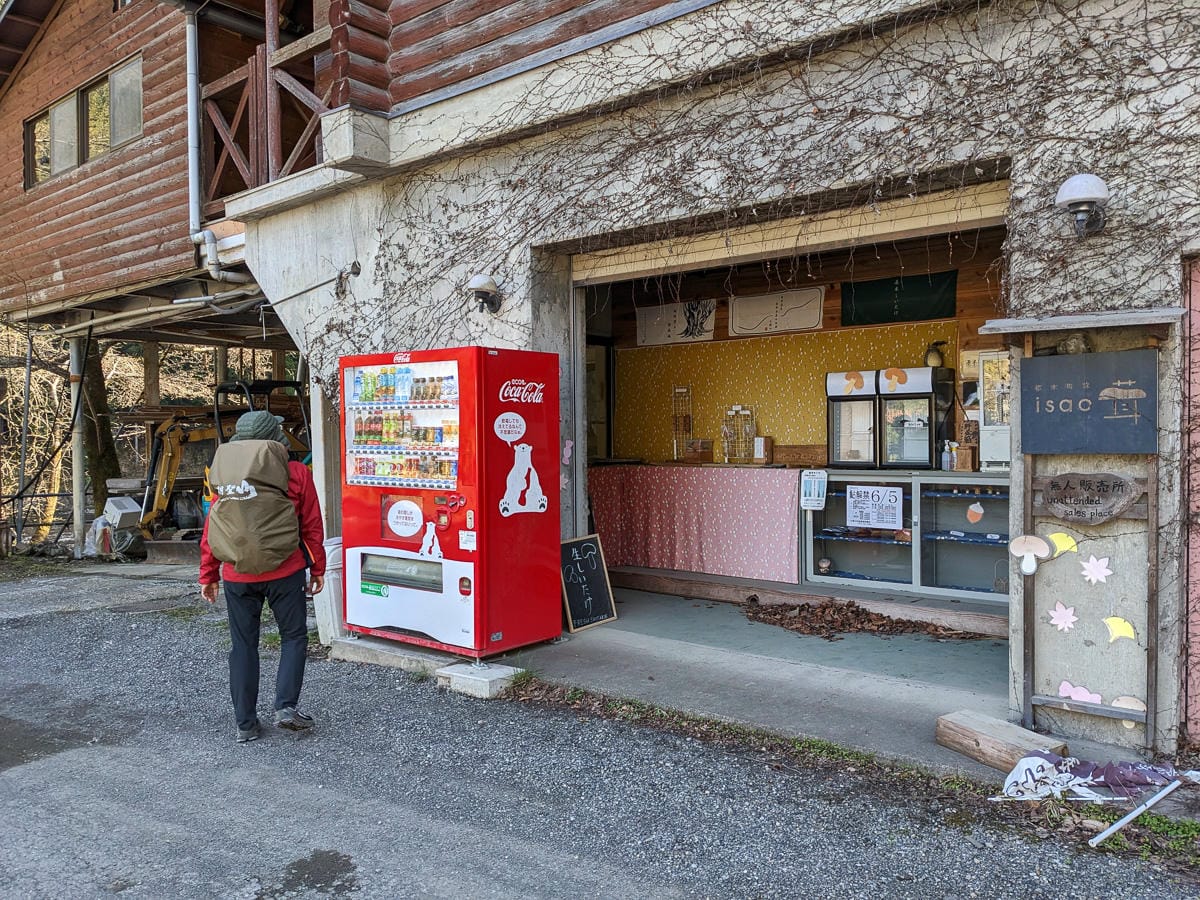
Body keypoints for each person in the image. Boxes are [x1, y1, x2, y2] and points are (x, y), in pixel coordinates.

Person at [200, 410, 326, 744]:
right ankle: (285, 707)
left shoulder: (224, 474)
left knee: (243, 646)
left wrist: (208, 573)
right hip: (286, 569)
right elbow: (311, 524)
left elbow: (214, 524)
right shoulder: (295, 471)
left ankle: (245, 724)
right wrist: (317, 568)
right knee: (293, 637)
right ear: (276, 439)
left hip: (237, 573)